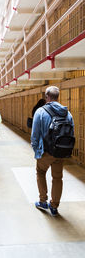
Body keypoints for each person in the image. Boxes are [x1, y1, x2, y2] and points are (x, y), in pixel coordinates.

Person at [31, 86, 74, 216]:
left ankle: (43, 201)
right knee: (57, 178)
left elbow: (35, 134)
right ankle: (54, 206)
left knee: (41, 172)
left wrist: (36, 150)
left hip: (45, 151)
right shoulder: (67, 113)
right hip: (60, 151)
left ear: (47, 97)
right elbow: (71, 132)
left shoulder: (40, 111)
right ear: (58, 97)